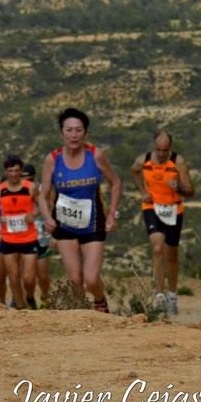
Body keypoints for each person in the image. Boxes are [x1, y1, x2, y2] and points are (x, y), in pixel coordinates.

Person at [41, 107, 121, 313]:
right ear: (61, 133)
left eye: (78, 130)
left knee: (91, 279)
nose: (74, 135)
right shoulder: (53, 159)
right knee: (75, 280)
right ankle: (82, 319)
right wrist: (47, 218)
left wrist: (112, 213)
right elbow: (42, 194)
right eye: (69, 130)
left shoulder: (96, 155)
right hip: (64, 225)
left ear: (85, 132)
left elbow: (116, 183)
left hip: (93, 224)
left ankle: (100, 300)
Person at [133, 131, 195, 315]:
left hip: (174, 209)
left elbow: (190, 190)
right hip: (152, 207)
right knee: (158, 248)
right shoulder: (143, 160)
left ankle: (172, 296)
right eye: (158, 149)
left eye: (165, 150)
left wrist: (180, 187)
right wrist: (143, 191)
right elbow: (134, 172)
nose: (161, 154)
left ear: (171, 148)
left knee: (172, 255)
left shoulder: (178, 162)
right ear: (154, 146)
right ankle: (159, 296)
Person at [0, 155, 41, 310]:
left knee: (27, 277)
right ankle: (15, 306)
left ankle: (25, 298)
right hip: (4, 239)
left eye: (16, 171)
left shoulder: (28, 189)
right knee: (8, 276)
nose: (13, 175)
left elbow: (43, 206)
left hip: (26, 237)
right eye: (10, 171)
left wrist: (34, 214)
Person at [22, 162, 52, 307]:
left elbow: (49, 204)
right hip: (22, 236)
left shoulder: (41, 189)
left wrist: (35, 214)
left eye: (27, 178)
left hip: (41, 235)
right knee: (27, 276)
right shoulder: (14, 189)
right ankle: (28, 298)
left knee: (42, 274)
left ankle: (46, 297)